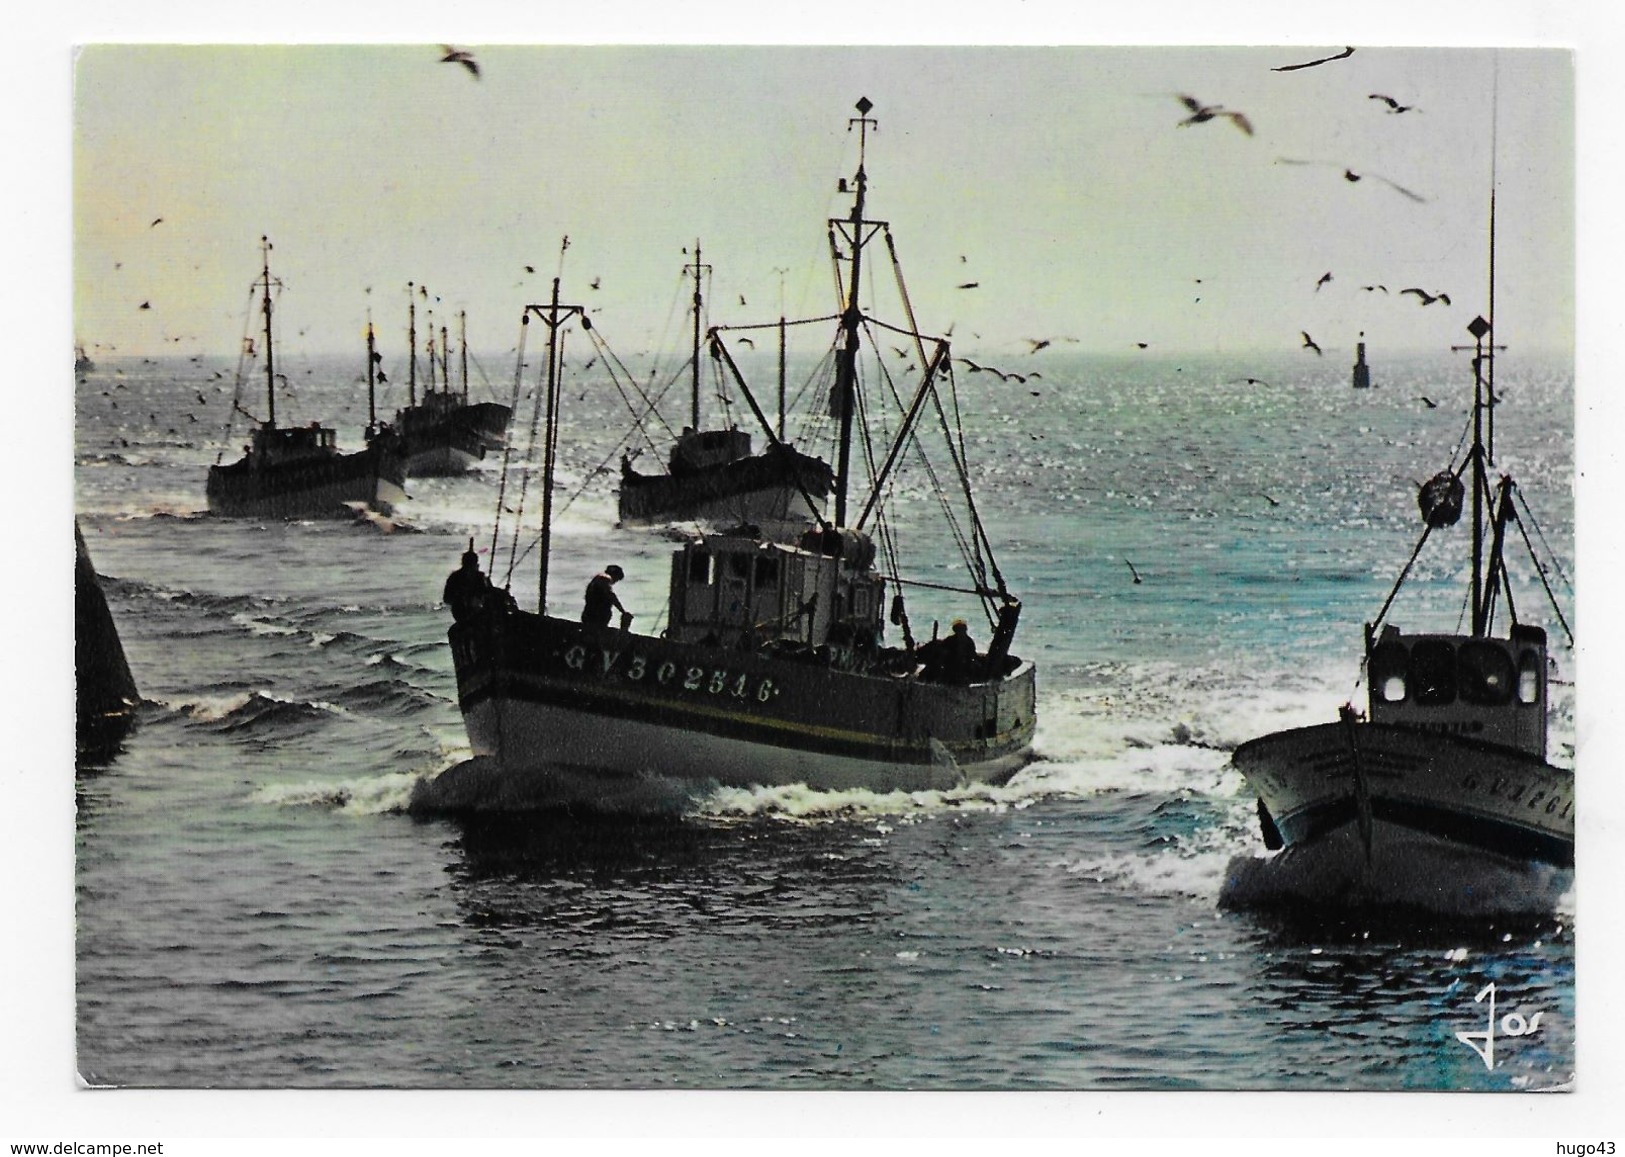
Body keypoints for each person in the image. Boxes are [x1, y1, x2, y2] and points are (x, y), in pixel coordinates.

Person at [442, 545, 490, 623]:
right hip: (461, 612)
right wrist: (461, 597)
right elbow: (447, 599)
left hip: (478, 611)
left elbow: (489, 593)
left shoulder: (480, 577)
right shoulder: (455, 577)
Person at [941, 617, 978, 684]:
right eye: (959, 629)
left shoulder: (969, 641)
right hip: (951, 664)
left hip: (965, 664)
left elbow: (972, 654)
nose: (960, 631)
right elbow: (943, 651)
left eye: (962, 629)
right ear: (955, 630)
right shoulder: (949, 640)